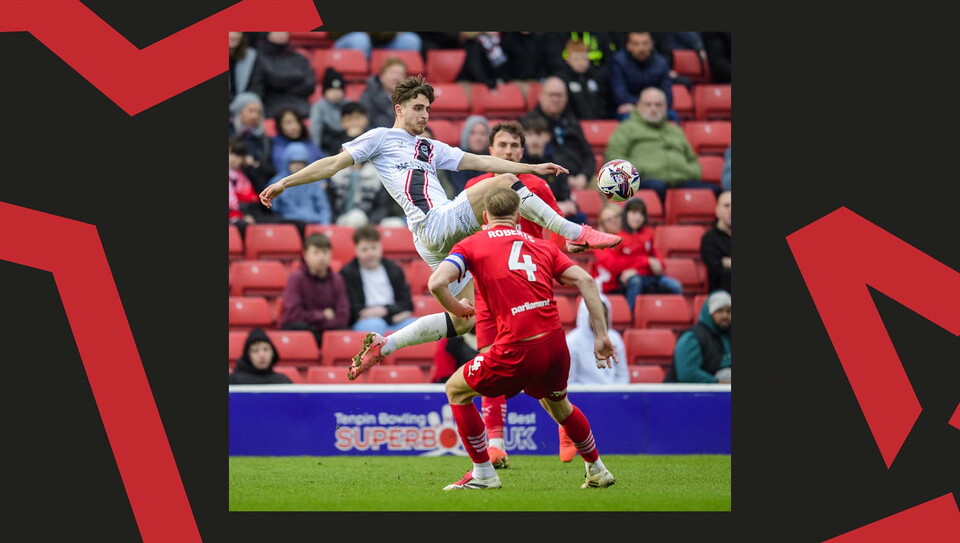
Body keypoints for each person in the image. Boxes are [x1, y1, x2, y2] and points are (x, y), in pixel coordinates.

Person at [257, 75, 621, 378]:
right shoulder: (381, 138)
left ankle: (387, 344)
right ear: (399, 108)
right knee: (504, 181)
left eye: (428, 108)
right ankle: (578, 232)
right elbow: (332, 164)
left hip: (432, 240)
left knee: (464, 321)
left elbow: (479, 159)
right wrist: (285, 183)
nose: (424, 114)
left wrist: (534, 168)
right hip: (435, 222)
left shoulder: (430, 147)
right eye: (418, 107)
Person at [427, 186, 617, 490]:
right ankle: (597, 468)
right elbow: (585, 279)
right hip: (554, 344)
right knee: (560, 406)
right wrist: (602, 336)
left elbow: (436, 282)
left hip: (516, 346)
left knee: (456, 391)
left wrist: (458, 308)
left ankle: (483, 475)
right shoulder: (543, 246)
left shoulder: (472, 243)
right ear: (518, 216)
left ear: (485, 216)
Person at [463, 120, 567, 468]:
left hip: (528, 288)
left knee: (538, 372)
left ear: (523, 152)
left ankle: (566, 426)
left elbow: (555, 227)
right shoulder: (475, 186)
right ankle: (495, 445)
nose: (508, 151)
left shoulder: (536, 185)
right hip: (488, 291)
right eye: (502, 146)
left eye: (514, 146)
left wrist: (558, 264)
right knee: (489, 361)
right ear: (490, 151)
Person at [604, 87, 717, 206]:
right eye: (648, 104)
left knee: (714, 192)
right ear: (638, 106)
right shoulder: (626, 129)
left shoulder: (675, 130)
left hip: (680, 180)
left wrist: (687, 171)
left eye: (658, 105)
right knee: (658, 187)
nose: (653, 109)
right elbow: (614, 159)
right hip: (647, 180)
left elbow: (693, 161)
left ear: (665, 107)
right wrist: (643, 169)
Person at [596, 198, 683, 313]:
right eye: (608, 220)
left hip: (646, 276)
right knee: (635, 282)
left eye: (617, 216)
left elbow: (656, 256)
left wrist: (651, 265)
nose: (614, 221)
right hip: (615, 285)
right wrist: (647, 262)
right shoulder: (604, 242)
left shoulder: (646, 233)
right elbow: (616, 264)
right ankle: (630, 316)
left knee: (674, 285)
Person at [520, 77, 596, 192]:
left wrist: (584, 176)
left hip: (581, 179)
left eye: (559, 95)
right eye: (551, 95)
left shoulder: (572, 122)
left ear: (566, 98)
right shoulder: (529, 124)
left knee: (606, 187)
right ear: (541, 96)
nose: (555, 99)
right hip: (549, 179)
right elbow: (528, 160)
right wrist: (563, 179)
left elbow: (588, 156)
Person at [339, 225, 418, 335]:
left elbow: (407, 304)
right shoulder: (348, 273)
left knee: (416, 325)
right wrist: (392, 314)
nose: (370, 253)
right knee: (376, 324)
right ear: (356, 250)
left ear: (380, 247)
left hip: (393, 317)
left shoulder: (394, 269)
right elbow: (353, 309)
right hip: (367, 322)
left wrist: (385, 310)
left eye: (373, 248)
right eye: (364, 249)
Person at [325, 103, 396, 225]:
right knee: (356, 218)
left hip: (370, 221)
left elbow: (382, 205)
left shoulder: (375, 171)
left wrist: (372, 222)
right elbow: (329, 203)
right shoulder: (335, 173)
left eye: (358, 118)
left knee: (395, 224)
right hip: (341, 220)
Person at [278, 233, 350, 345]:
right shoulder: (296, 278)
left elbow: (342, 317)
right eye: (316, 252)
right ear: (305, 254)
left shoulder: (337, 280)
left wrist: (316, 324)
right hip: (303, 332)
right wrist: (322, 315)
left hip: (327, 332)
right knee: (300, 328)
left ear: (331, 254)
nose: (321, 257)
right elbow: (293, 314)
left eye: (325, 252)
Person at [664, 290, 731, 383]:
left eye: (729, 311)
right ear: (709, 313)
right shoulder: (692, 337)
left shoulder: (728, 335)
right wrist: (718, 383)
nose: (725, 316)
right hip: (682, 394)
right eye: (719, 311)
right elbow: (687, 373)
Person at [607, 31, 673, 122]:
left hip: (654, 107)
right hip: (629, 109)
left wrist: (649, 105)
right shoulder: (618, 62)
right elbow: (620, 96)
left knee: (673, 117)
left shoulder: (661, 63)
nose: (641, 48)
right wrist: (644, 106)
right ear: (628, 46)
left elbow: (667, 97)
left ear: (651, 44)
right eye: (636, 44)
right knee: (626, 116)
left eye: (645, 44)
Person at [269, 142, 332, 225]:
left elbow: (324, 207)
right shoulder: (277, 182)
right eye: (294, 162)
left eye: (301, 162)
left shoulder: (314, 182)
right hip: (288, 224)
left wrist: (325, 225)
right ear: (287, 162)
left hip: (313, 223)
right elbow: (273, 207)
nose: (297, 166)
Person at [256, 31, 316, 118]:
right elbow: (266, 82)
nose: (281, 34)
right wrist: (296, 79)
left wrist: (281, 86)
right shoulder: (258, 58)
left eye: (284, 31)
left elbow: (310, 84)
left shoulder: (299, 58)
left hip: (299, 101)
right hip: (270, 103)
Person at [554, 38, 612, 120]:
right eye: (576, 59)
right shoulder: (562, 79)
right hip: (573, 123)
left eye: (584, 58)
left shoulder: (596, 77)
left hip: (597, 121)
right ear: (568, 60)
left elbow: (603, 102)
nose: (581, 62)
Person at [229, 92, 274, 189]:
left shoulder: (264, 139)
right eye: (250, 111)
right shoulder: (231, 133)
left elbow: (271, 169)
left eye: (258, 112)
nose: (255, 116)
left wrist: (255, 164)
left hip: (257, 183)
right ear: (239, 111)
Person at [309, 67, 350, 157]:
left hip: (348, 149)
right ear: (325, 91)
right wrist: (317, 154)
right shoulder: (319, 106)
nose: (335, 93)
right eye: (331, 89)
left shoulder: (350, 105)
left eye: (339, 89)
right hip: (326, 150)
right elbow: (316, 131)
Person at [229, 328, 293, 385]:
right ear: (247, 355)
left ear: (273, 353)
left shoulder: (283, 381)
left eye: (266, 349)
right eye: (255, 351)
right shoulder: (234, 381)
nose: (262, 355)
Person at [445, 115, 490, 194]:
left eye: (483, 133)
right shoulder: (457, 158)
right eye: (473, 133)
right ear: (466, 136)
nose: (478, 138)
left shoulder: (492, 159)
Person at [359, 57, 408, 130]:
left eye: (400, 74)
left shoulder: (410, 99)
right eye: (392, 73)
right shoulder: (368, 97)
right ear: (381, 77)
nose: (396, 77)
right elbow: (363, 123)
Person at [270, 108, 323, 174]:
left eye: (297, 121)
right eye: (288, 122)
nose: (294, 126)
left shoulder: (310, 144)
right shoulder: (275, 145)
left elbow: (323, 166)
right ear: (280, 125)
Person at [700, 190, 731, 293]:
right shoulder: (709, 239)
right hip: (721, 295)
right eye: (726, 206)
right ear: (717, 211)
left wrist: (728, 262)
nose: (731, 210)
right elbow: (717, 270)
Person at [330, 32, 423, 61]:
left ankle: (403, 82)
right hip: (347, 39)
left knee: (411, 40)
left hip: (381, 40)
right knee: (360, 39)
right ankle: (361, 78)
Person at [229, 31, 264, 102]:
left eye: (237, 32)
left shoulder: (252, 57)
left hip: (245, 104)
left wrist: (243, 102)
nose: (233, 36)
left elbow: (256, 85)